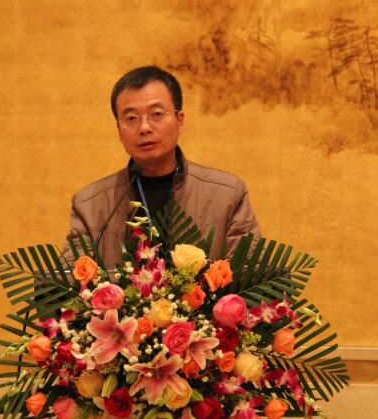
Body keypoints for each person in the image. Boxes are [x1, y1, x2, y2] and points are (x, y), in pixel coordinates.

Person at [62, 66, 260, 269]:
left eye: (156, 114)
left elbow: (253, 273)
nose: (144, 128)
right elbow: (66, 280)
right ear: (119, 130)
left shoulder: (227, 195)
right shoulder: (90, 205)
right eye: (131, 118)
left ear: (179, 121)